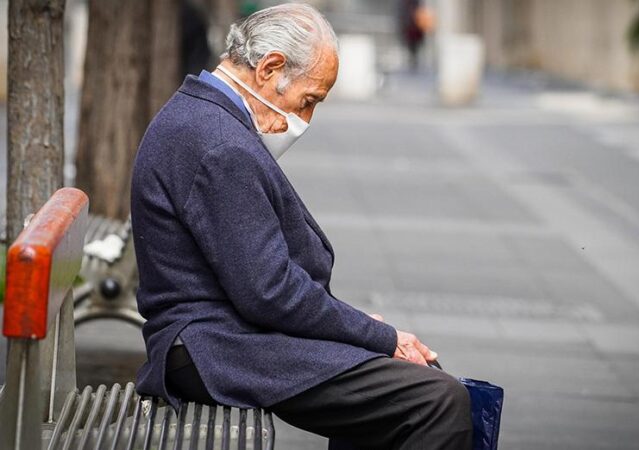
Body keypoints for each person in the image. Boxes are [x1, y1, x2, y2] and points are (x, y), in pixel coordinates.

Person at [130, 4, 472, 449]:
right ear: (270, 68)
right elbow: (269, 293)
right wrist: (381, 336)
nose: (305, 120)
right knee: (437, 398)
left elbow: (262, 286)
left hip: (217, 337)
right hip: (213, 350)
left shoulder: (203, 116)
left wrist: (356, 330)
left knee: (409, 383)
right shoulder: (219, 144)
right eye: (308, 101)